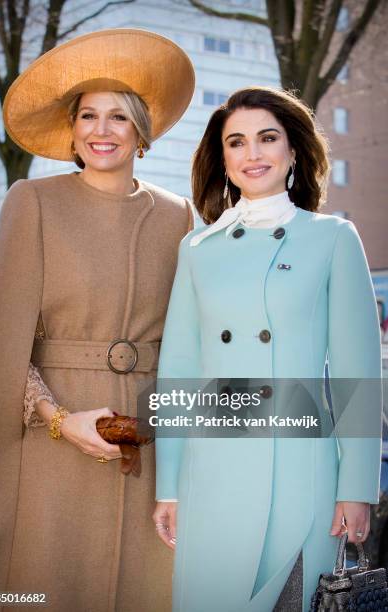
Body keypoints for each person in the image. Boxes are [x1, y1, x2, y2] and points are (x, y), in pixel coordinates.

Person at [0, 29, 194, 612]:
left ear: (140, 132)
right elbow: (0, 345)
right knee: (36, 592)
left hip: (144, 450)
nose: (103, 130)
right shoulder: (33, 202)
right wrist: (58, 421)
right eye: (89, 116)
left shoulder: (179, 216)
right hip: (50, 448)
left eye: (119, 117)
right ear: (72, 132)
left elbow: (186, 341)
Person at [153, 87, 382, 611]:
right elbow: (179, 372)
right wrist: (169, 486)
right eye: (237, 142)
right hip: (211, 472)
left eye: (267, 138)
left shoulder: (332, 237)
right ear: (224, 160)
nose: (252, 153)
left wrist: (357, 487)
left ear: (294, 151)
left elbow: (357, 372)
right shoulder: (197, 249)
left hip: (301, 471)